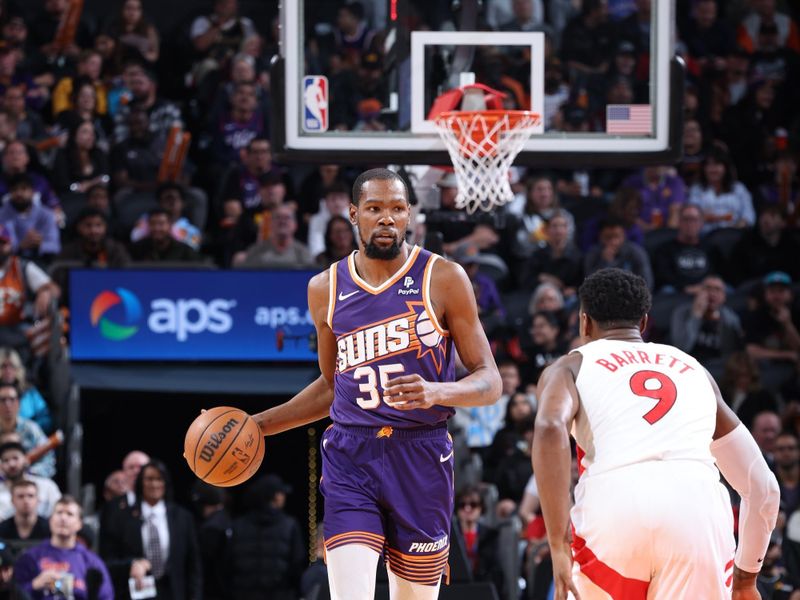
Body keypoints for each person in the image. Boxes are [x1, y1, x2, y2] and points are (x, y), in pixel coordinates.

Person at [250, 168, 502, 599]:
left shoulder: (443, 278)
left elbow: (490, 381)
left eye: (397, 209)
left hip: (421, 453)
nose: (387, 218)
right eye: (374, 208)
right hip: (352, 455)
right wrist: (258, 425)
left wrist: (438, 391)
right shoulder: (324, 287)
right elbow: (332, 386)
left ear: (409, 216)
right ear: (353, 214)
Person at [532, 267, 780, 599]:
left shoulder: (569, 365)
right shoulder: (694, 369)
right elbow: (763, 488)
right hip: (696, 517)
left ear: (584, 322)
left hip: (616, 513)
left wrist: (558, 543)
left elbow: (549, 427)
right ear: (644, 322)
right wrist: (747, 579)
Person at [99, 460, 202, 600]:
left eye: (159, 479)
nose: (154, 484)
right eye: (149, 479)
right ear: (141, 482)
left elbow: (193, 566)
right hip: (134, 592)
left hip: (173, 593)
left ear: (166, 482)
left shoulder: (182, 517)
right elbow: (107, 561)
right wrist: (131, 565)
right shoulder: (122, 517)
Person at [14, 496, 114, 600]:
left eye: (69, 514)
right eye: (59, 512)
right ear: (50, 519)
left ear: (79, 524)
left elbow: (106, 596)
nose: (63, 518)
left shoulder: (92, 562)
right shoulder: (30, 557)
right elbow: (13, 594)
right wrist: (35, 584)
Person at [226, 474, 304, 600]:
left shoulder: (237, 525)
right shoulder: (289, 525)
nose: (284, 496)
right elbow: (297, 564)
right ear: (274, 496)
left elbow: (227, 565)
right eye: (281, 493)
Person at [0, 386, 56, 480]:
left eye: (12, 399)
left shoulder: (31, 428)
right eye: (3, 400)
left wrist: (29, 473)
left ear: (18, 404)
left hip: (29, 481)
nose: (8, 404)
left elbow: (49, 460)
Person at [0, 441, 60, 520]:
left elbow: (60, 512)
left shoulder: (47, 486)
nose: (11, 464)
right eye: (6, 460)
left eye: (15, 458)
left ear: (25, 459)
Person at [0, 348, 51, 434]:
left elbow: (45, 419)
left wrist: (26, 428)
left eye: (12, 366)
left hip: (26, 440)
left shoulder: (30, 392)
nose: (8, 371)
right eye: (4, 366)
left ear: (18, 368)